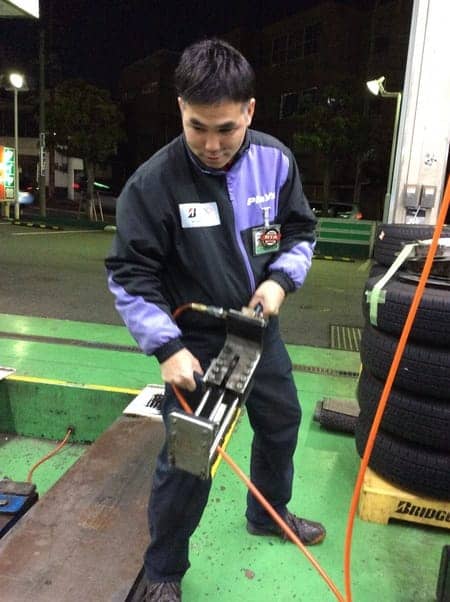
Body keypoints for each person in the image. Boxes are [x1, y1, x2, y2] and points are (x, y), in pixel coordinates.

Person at [105, 38, 325, 602]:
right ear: (181, 107)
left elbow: (301, 232)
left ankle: (268, 513)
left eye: (226, 128)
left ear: (249, 110)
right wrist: (167, 348)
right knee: (189, 459)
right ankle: (163, 571)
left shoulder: (275, 162)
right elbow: (130, 275)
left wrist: (279, 282)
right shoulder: (154, 184)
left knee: (281, 421)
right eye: (197, 126)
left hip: (257, 330)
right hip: (197, 344)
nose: (211, 144)